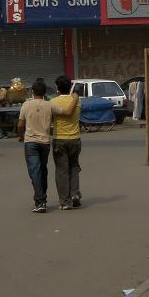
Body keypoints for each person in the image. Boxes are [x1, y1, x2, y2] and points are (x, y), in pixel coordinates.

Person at [17, 78, 72, 213]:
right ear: (45, 92)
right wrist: (75, 98)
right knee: (43, 170)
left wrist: (21, 136)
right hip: (45, 142)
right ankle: (42, 199)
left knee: (35, 172)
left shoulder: (26, 105)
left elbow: (20, 124)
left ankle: (40, 201)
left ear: (32, 91)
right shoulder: (49, 105)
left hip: (30, 142)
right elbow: (66, 112)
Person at [51, 75, 82, 210]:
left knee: (62, 170)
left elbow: (51, 120)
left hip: (60, 139)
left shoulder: (53, 102)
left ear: (57, 87)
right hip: (75, 138)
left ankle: (65, 202)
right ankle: (75, 194)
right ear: (70, 87)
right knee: (74, 167)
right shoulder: (76, 101)